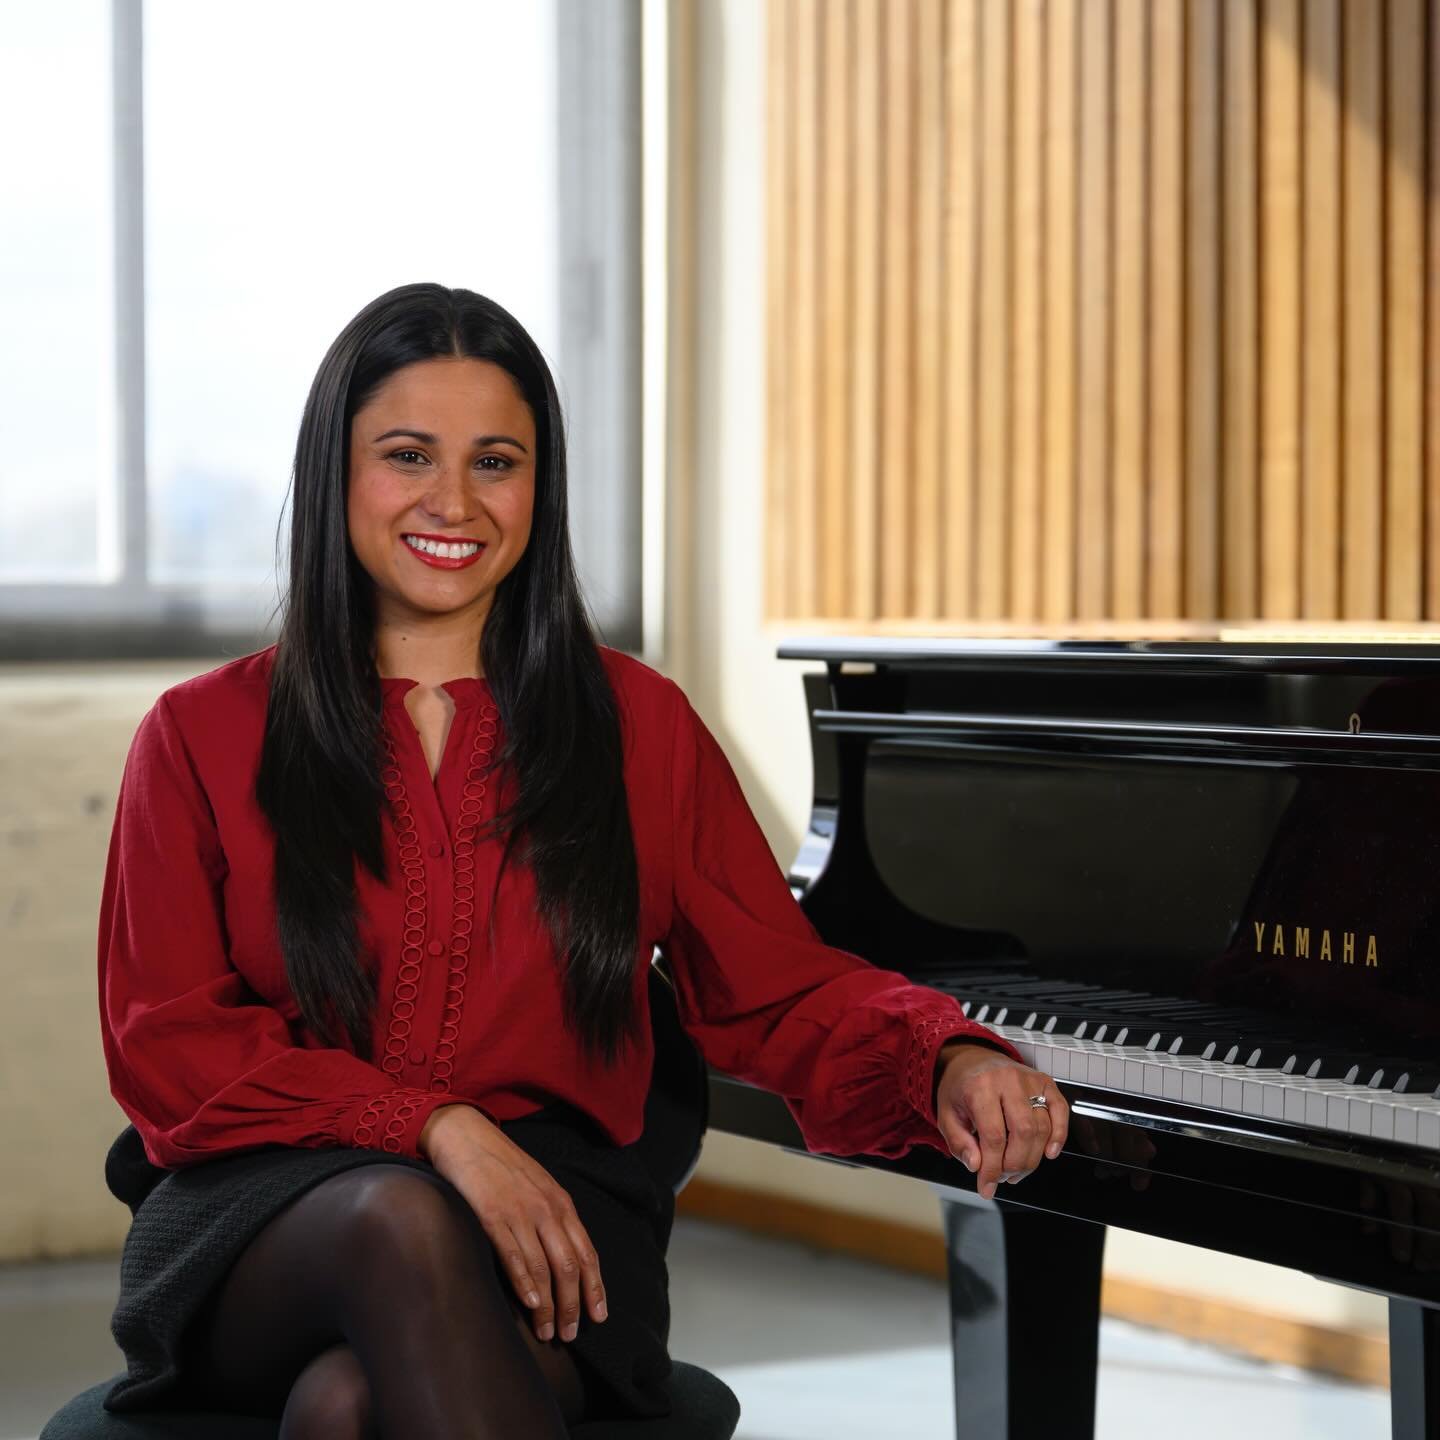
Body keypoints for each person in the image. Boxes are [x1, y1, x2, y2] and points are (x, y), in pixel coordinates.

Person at [96, 282, 1069, 1438]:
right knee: (398, 1223)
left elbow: (771, 984)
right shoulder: (200, 733)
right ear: (335, 474)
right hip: (266, 1222)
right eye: (407, 455)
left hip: (554, 1227)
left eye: (495, 462)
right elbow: (168, 1040)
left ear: (539, 486)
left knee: (349, 1409)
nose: (452, 499)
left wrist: (940, 1056)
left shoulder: (638, 727)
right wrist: (438, 1130)